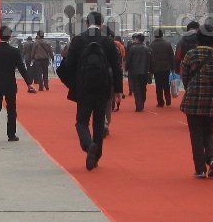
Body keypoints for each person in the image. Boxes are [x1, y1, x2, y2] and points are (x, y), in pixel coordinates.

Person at [57, 12, 123, 171]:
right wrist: (118, 89)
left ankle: (88, 145)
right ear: (101, 24)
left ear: (86, 23)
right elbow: (116, 67)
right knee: (99, 122)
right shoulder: (108, 41)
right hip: (103, 87)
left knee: (81, 121)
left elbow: (68, 65)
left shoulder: (78, 40)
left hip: (84, 87)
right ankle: (96, 156)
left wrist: (73, 84)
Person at [180, 24, 213, 179]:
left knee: (196, 134)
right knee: (209, 131)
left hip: (194, 99)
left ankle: (200, 169)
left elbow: (184, 76)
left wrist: (190, 87)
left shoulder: (191, 54)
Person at [0, 26, 36, 145]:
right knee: (11, 109)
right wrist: (29, 83)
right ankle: (11, 134)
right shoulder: (14, 51)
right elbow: (21, 68)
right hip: (10, 84)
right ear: (10, 37)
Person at [126, 33, 151, 112]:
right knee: (143, 87)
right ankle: (142, 102)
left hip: (134, 71)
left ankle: (139, 105)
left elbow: (129, 60)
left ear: (137, 39)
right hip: (144, 71)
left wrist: (126, 68)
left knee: (136, 89)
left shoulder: (132, 48)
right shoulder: (147, 49)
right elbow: (150, 61)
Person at [149, 29, 174, 107]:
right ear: (162, 35)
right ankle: (168, 99)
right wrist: (172, 67)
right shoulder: (167, 44)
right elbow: (171, 56)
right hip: (166, 67)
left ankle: (160, 102)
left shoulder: (152, 45)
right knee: (166, 84)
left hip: (156, 68)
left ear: (154, 35)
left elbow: (150, 58)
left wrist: (150, 69)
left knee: (158, 85)